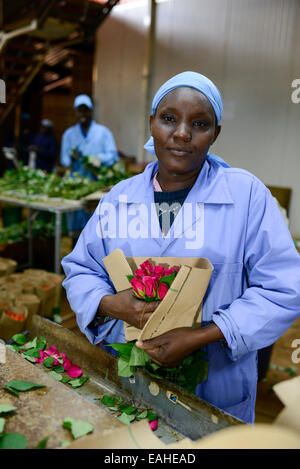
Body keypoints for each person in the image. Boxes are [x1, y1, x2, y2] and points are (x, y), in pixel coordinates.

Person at [61, 72, 300, 424]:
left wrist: (203, 335)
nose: (182, 133)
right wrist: (113, 304)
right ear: (152, 124)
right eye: (169, 118)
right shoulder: (119, 198)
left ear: (215, 133)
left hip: (217, 389)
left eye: (199, 123)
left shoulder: (247, 197)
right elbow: (82, 269)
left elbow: (283, 289)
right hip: (128, 378)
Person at [60, 94, 119, 239]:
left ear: (91, 111)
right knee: (77, 230)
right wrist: (71, 158)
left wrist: (97, 160)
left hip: (97, 184)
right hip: (77, 185)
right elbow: (64, 160)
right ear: (76, 112)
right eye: (80, 111)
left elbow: (113, 156)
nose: (83, 114)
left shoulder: (103, 133)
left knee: (95, 228)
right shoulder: (69, 134)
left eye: (85, 110)